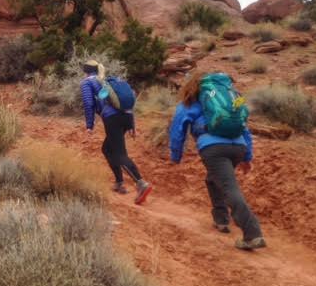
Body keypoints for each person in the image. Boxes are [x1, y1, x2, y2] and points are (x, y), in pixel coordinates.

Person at [169, 71, 266, 250]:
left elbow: (178, 127)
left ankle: (253, 234)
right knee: (213, 180)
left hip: (213, 148)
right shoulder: (231, 97)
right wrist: (247, 156)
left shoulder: (192, 101)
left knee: (229, 187)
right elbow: (244, 127)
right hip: (238, 147)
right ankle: (221, 220)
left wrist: (175, 155)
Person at [80, 60, 152, 205]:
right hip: (125, 117)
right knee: (107, 149)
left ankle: (141, 183)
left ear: (86, 71)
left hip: (112, 119)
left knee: (119, 154)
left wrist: (89, 125)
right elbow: (126, 102)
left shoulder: (87, 82)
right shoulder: (106, 80)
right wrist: (131, 124)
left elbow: (89, 103)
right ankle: (119, 182)